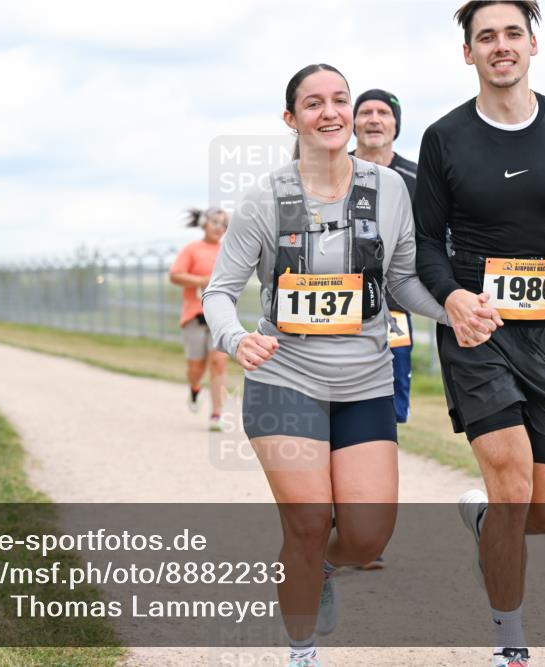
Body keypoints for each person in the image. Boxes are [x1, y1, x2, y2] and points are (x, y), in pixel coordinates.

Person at [203, 63, 499, 667]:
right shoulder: (265, 198)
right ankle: (302, 651)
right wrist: (236, 340)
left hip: (364, 379)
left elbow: (401, 283)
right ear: (292, 119)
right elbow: (218, 293)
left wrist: (452, 309)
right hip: (284, 379)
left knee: (366, 537)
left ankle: (322, 570)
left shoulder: (390, 191)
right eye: (314, 103)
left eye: (340, 99)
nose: (331, 112)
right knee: (308, 523)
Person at [413, 3, 545, 665]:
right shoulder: (444, 137)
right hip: (478, 331)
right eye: (486, 37)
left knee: (544, 511)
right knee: (512, 485)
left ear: (533, 44)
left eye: (512, 34)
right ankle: (510, 643)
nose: (500, 46)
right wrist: (452, 296)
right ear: (468, 53)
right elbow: (425, 243)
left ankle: (484, 523)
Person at [350, 88, 419, 571]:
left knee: (385, 417)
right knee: (335, 408)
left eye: (383, 113)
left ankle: (367, 530)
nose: (374, 120)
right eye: (366, 112)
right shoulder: (333, 169)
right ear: (353, 123)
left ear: (396, 124)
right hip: (333, 311)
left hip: (394, 314)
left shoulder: (417, 178)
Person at [169, 208, 230, 431]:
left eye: (223, 224)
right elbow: (175, 275)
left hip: (221, 316)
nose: (218, 228)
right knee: (196, 367)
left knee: (218, 361)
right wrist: (202, 280)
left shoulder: (229, 251)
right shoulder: (192, 250)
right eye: (214, 222)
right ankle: (194, 387)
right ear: (204, 223)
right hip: (195, 316)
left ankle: (216, 414)